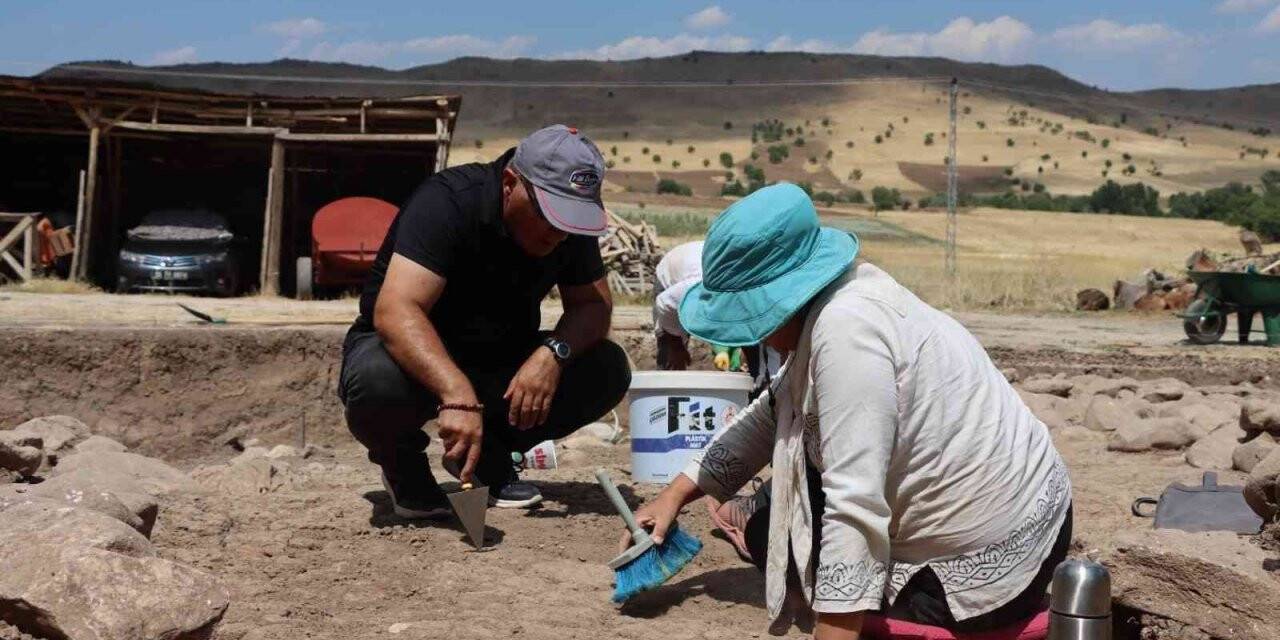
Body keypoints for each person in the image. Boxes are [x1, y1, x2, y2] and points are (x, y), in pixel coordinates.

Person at [627, 183, 1071, 638]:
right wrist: (674, 495)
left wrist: (834, 628)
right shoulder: (835, 298)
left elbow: (854, 502)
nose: (755, 338)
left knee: (819, 571)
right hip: (1003, 512)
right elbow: (770, 412)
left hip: (991, 547)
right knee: (771, 533)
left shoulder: (846, 332)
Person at [339, 125, 631, 517]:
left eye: (570, 221)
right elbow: (397, 311)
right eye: (550, 216)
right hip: (408, 358)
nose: (560, 234)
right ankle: (402, 465)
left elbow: (593, 307)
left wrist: (551, 355)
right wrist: (456, 393)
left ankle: (488, 456)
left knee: (606, 368)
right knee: (376, 381)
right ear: (511, 183)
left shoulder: (566, 226)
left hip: (498, 357)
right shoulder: (448, 202)